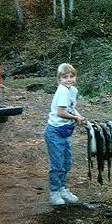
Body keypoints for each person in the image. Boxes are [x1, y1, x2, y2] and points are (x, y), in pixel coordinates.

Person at [44, 63, 85, 205]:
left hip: (66, 131)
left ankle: (62, 188)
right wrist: (75, 119)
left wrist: (79, 116)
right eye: (65, 77)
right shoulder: (62, 91)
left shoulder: (73, 90)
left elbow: (72, 108)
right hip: (54, 131)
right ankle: (54, 192)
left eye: (71, 76)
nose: (69, 79)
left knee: (66, 162)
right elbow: (61, 112)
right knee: (57, 164)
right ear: (59, 79)